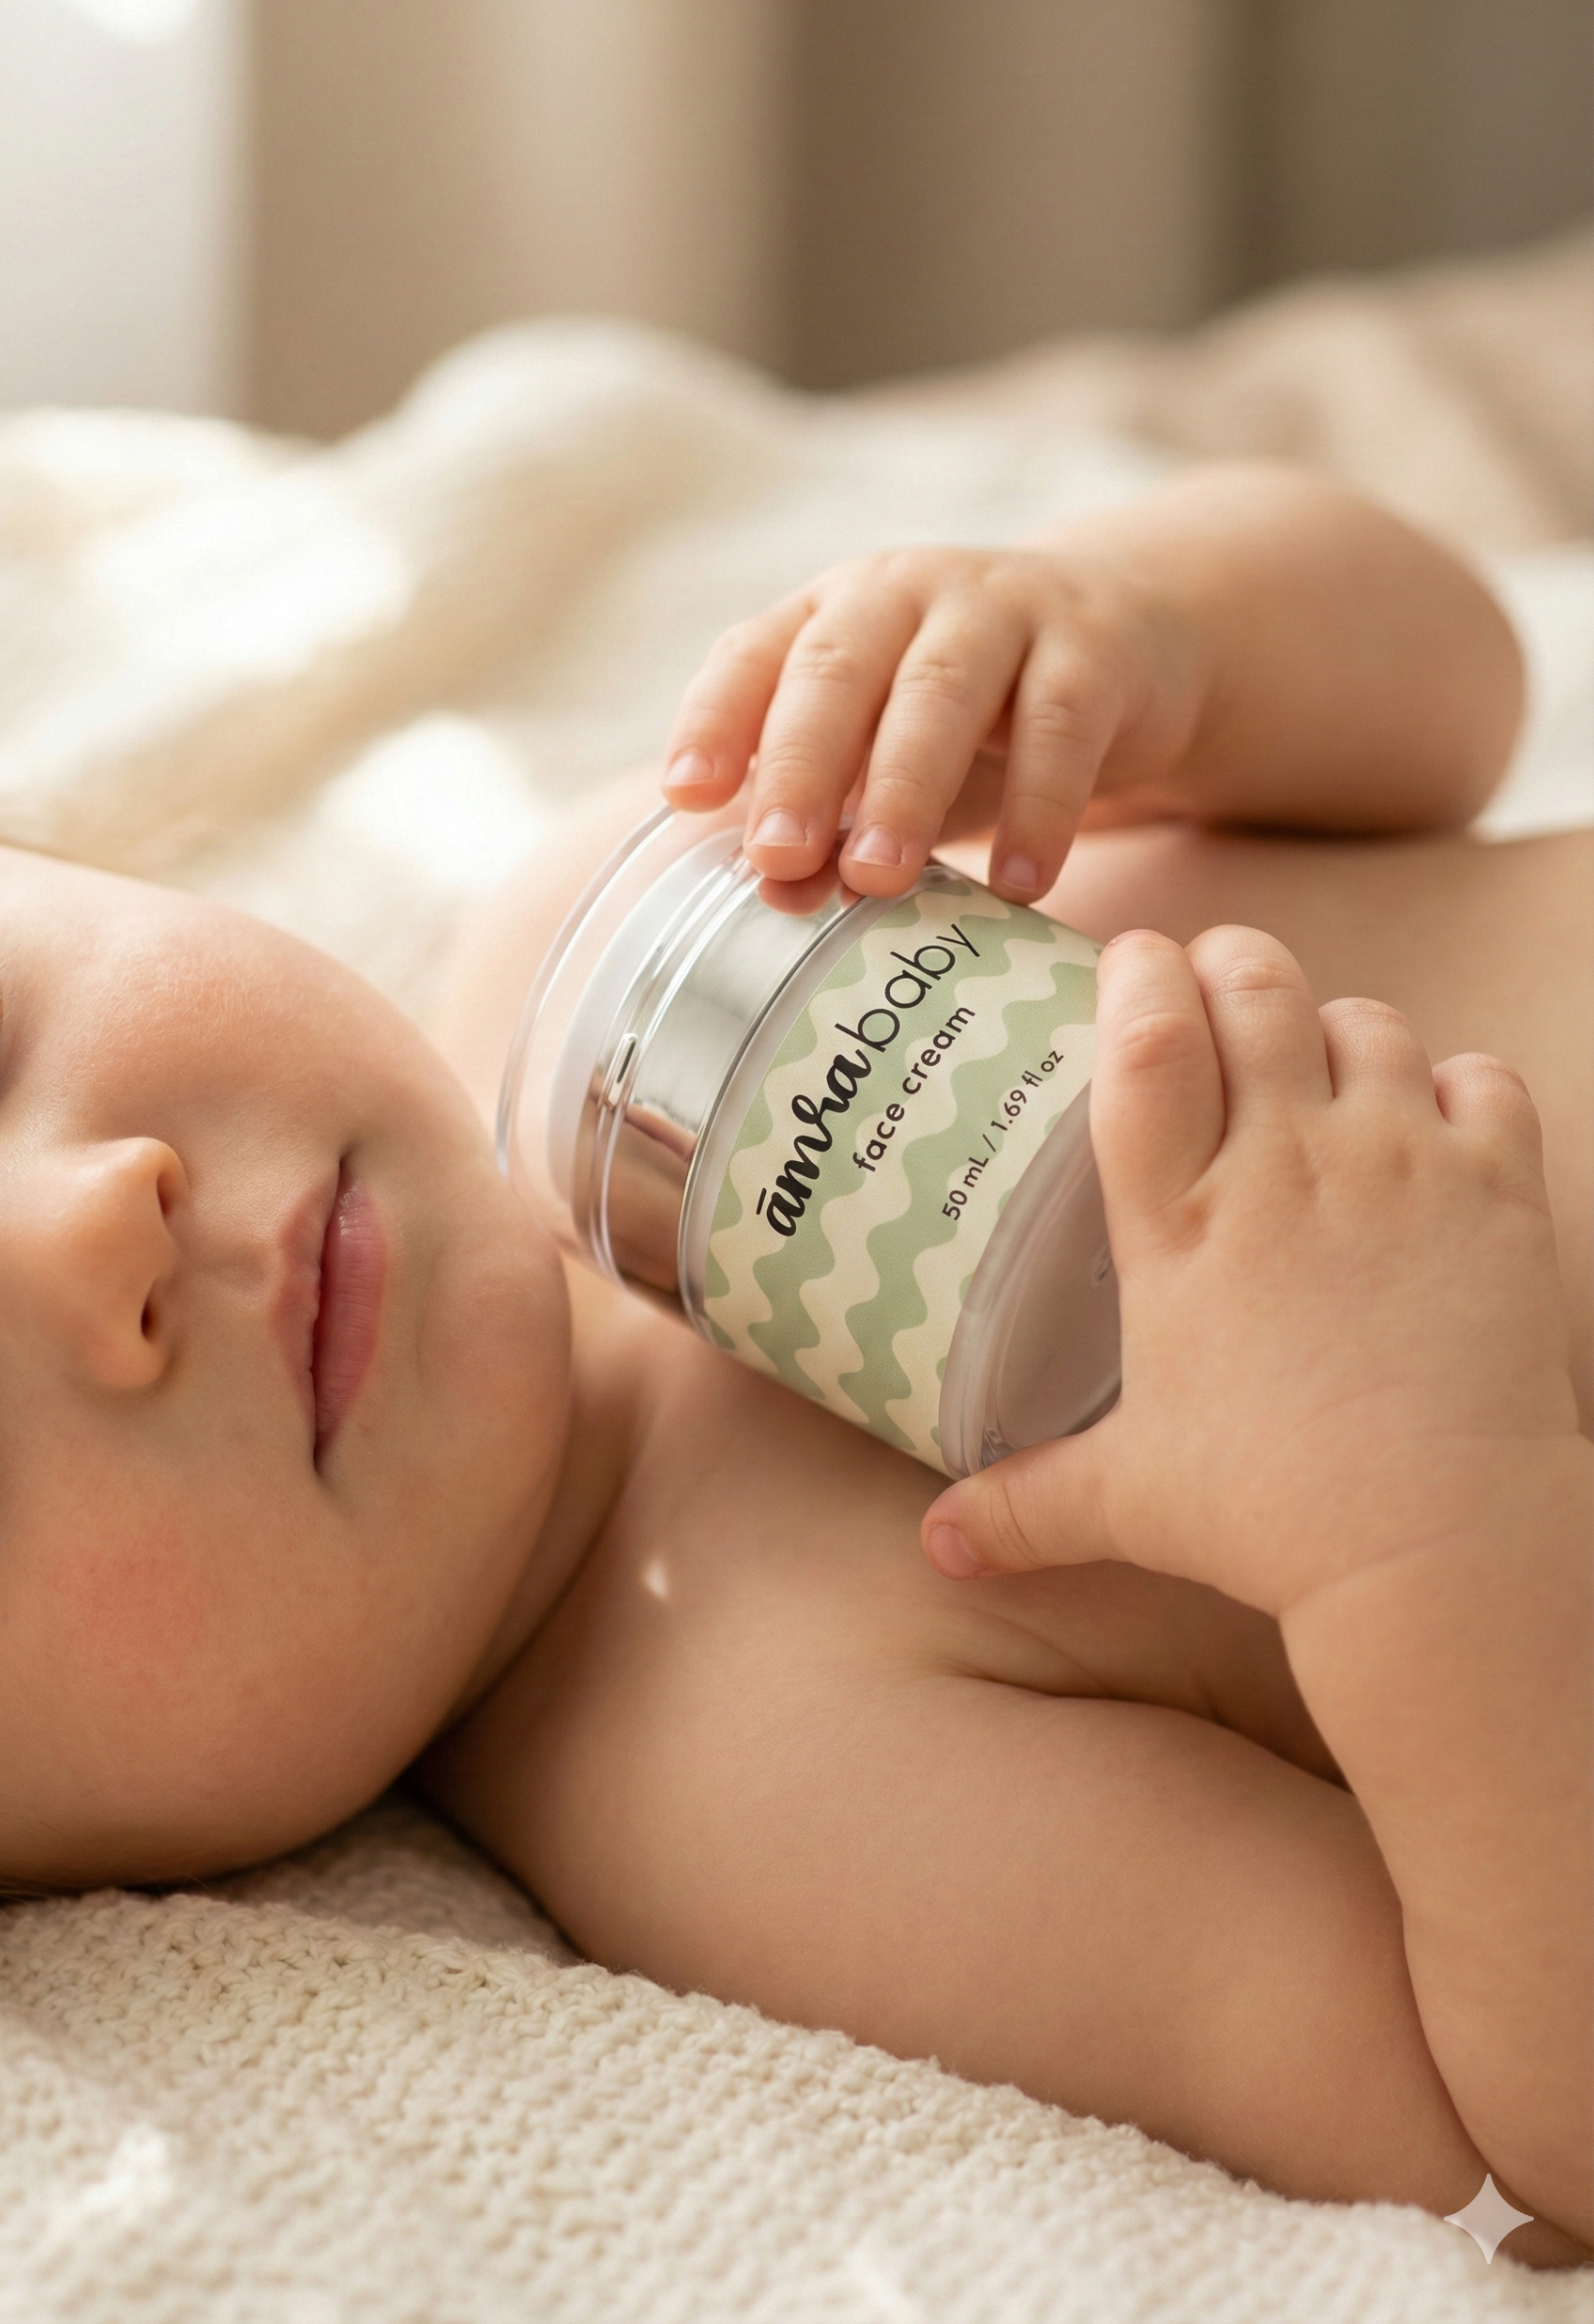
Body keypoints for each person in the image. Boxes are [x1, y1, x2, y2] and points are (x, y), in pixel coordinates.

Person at [0, 465, 1586, 2263]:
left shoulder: (627, 924)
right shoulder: (757, 1782)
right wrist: (1432, 1514)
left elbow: (1455, 700)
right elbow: (1521, 2140)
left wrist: (1143, 633)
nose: (94, 1228)